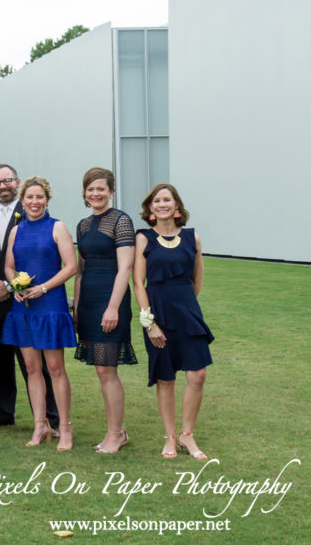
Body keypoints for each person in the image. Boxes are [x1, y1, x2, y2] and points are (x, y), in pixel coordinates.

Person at [133, 184, 213, 460]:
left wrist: (187, 306)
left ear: (176, 206)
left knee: (197, 374)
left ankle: (187, 435)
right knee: (165, 378)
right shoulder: (143, 238)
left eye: (167, 199)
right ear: (151, 209)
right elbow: (138, 283)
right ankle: (169, 436)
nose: (162, 204)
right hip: (157, 315)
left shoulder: (194, 238)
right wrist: (149, 322)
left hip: (188, 313)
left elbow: (196, 280)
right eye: (157, 200)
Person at [0, 164, 59, 433]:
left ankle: (50, 417)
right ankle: (1, 413)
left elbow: (41, 256)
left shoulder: (33, 212)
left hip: (27, 299)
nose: (3, 186)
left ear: (18, 183)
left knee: (35, 363)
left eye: (8, 181)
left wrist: (10, 286)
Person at [1, 176, 77, 450]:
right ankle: (40, 425)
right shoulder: (16, 231)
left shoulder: (57, 227)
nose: (35, 202)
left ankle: (64, 428)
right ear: (23, 200)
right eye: (30, 198)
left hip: (50, 304)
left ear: (47, 199)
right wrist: (15, 286)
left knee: (55, 368)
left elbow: (71, 266)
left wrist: (43, 288)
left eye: (40, 197)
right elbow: (9, 265)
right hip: (23, 305)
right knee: (32, 369)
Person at [72, 167, 136, 454]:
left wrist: (113, 307)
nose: (95, 194)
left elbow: (126, 267)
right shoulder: (83, 225)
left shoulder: (121, 221)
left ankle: (116, 434)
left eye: (101, 188)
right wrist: (76, 307)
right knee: (101, 369)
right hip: (87, 302)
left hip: (111, 301)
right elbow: (80, 270)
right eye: (90, 189)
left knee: (106, 368)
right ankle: (117, 431)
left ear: (111, 191)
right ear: (85, 194)